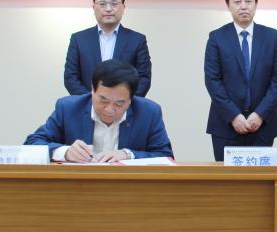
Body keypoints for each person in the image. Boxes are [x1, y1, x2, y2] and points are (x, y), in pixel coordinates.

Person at [204, 0, 277, 161]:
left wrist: (260, 114)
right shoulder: (216, 38)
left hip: (263, 125)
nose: (243, 6)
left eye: (248, 1)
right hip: (225, 125)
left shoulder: (273, 37)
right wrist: (234, 115)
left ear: (256, 4)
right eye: (237, 1)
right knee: (228, 178)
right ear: (228, 6)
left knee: (260, 178)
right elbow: (213, 81)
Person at [27, 59, 173, 162]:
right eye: (103, 100)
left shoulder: (149, 112)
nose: (109, 109)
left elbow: (166, 156)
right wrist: (65, 152)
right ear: (93, 90)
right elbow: (32, 144)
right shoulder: (68, 108)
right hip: (77, 187)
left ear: (130, 99)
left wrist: (128, 154)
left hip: (127, 190)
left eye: (119, 103)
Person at [64, 0, 153, 96]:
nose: (108, 9)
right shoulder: (78, 39)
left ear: (123, 8)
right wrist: (92, 102)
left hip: (125, 106)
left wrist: (123, 102)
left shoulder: (137, 40)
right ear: (93, 8)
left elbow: (144, 78)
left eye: (114, 4)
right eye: (102, 4)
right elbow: (70, 77)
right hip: (87, 105)